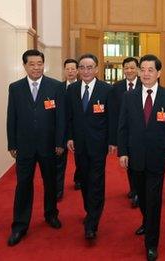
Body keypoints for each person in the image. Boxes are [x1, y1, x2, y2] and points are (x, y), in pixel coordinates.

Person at [118, 54, 165, 261]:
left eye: (150, 70)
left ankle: (151, 243)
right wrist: (123, 151)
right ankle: (147, 221)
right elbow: (123, 126)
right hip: (134, 157)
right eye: (142, 69)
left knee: (153, 200)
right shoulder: (128, 97)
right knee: (141, 197)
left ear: (158, 73)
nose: (145, 73)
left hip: (157, 157)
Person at [6, 49, 65, 246]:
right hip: (24, 146)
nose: (36, 67)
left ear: (44, 64)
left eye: (40, 63)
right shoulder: (15, 88)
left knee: (50, 183)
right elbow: (11, 117)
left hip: (49, 146)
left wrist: (59, 142)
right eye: (32, 64)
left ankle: (51, 214)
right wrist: (12, 143)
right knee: (23, 185)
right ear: (25, 66)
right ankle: (20, 225)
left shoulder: (55, 86)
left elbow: (60, 118)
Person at [66, 53, 116, 240]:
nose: (86, 71)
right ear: (78, 70)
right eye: (82, 67)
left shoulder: (106, 90)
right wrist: (69, 137)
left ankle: (92, 222)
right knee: (84, 180)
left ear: (96, 69)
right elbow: (68, 117)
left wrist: (112, 141)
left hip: (98, 144)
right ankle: (90, 210)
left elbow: (112, 118)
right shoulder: (71, 90)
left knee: (96, 181)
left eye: (89, 67)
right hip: (78, 144)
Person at [111, 57, 142, 208]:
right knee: (129, 163)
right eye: (126, 68)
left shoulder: (145, 84)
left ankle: (137, 191)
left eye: (132, 67)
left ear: (137, 69)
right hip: (125, 133)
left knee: (139, 162)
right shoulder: (116, 87)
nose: (129, 71)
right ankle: (134, 189)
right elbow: (114, 113)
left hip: (141, 133)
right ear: (123, 70)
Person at [56, 58, 80, 201]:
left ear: (77, 71)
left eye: (73, 69)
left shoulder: (82, 87)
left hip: (77, 130)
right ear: (64, 71)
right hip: (61, 130)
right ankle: (58, 190)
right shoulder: (57, 87)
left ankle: (78, 179)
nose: (70, 71)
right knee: (59, 162)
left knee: (80, 158)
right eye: (67, 69)